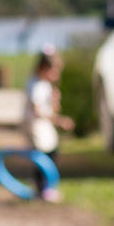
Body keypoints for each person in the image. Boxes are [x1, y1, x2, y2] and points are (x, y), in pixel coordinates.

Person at [23, 47, 74, 202]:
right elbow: (37, 109)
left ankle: (43, 186)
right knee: (43, 155)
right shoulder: (36, 84)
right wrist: (58, 120)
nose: (56, 75)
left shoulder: (45, 85)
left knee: (51, 151)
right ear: (43, 68)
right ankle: (42, 188)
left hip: (44, 124)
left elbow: (52, 108)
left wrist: (54, 100)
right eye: (54, 71)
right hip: (36, 125)